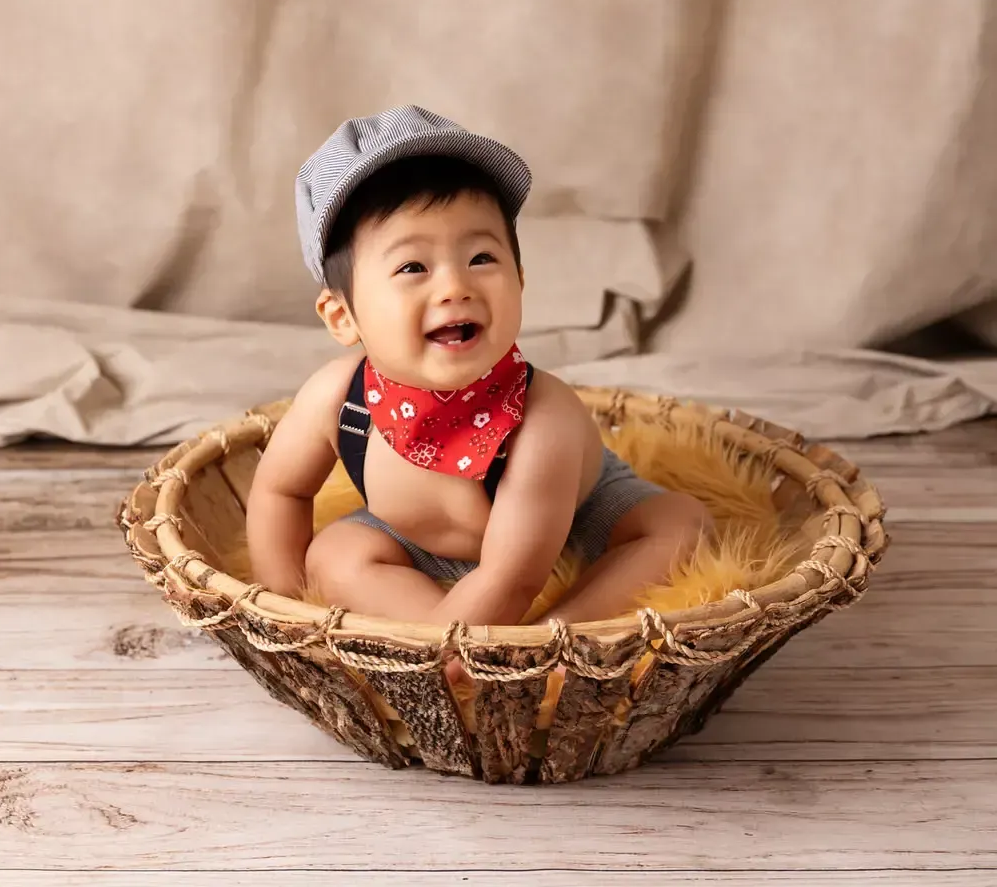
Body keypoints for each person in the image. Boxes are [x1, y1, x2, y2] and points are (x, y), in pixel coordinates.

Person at [247, 105, 712, 626]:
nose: (455, 287)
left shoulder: (542, 417)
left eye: (481, 259)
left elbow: (512, 577)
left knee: (681, 525)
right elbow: (280, 490)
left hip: (574, 521)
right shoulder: (341, 400)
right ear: (343, 315)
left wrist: (522, 618)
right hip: (420, 541)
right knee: (333, 557)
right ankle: (445, 648)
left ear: (519, 278)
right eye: (413, 267)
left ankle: (553, 639)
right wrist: (284, 606)